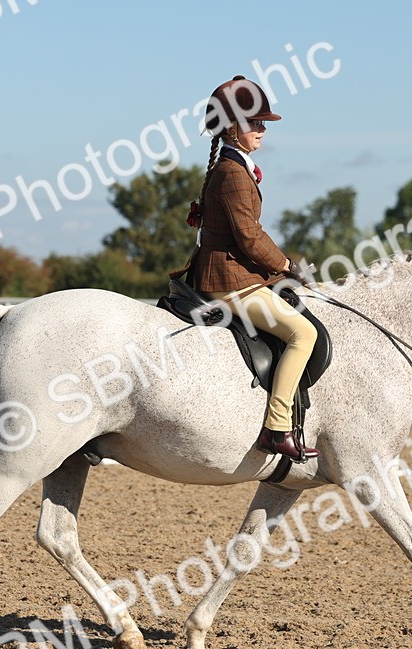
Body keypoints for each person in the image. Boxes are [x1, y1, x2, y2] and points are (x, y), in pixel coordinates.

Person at [183, 75, 319, 461]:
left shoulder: (232, 166)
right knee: (303, 333)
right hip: (228, 280)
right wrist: (287, 265)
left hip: (232, 273)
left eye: (263, 123)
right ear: (232, 127)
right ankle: (277, 428)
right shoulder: (232, 173)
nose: (262, 129)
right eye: (255, 122)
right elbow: (249, 237)